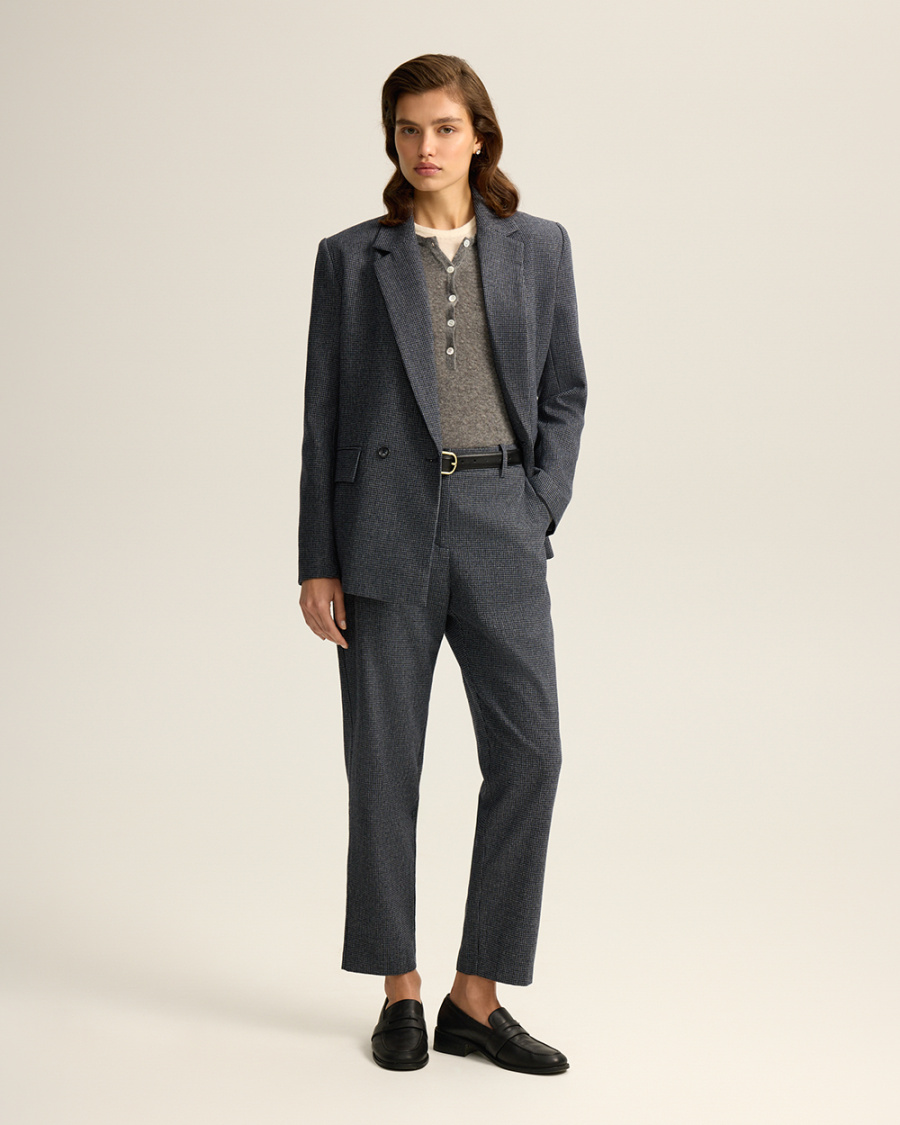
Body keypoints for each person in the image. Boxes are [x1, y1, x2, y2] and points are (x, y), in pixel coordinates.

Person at [298, 53, 587, 1074]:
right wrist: (317, 559)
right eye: (409, 129)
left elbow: (564, 390)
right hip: (383, 530)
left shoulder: (539, 247)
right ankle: (401, 990)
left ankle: (477, 994)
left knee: (532, 753)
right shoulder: (351, 259)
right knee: (385, 764)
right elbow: (322, 414)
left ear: (480, 135)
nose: (427, 146)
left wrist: (539, 501)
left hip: (502, 522)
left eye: (445, 127)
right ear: (392, 139)